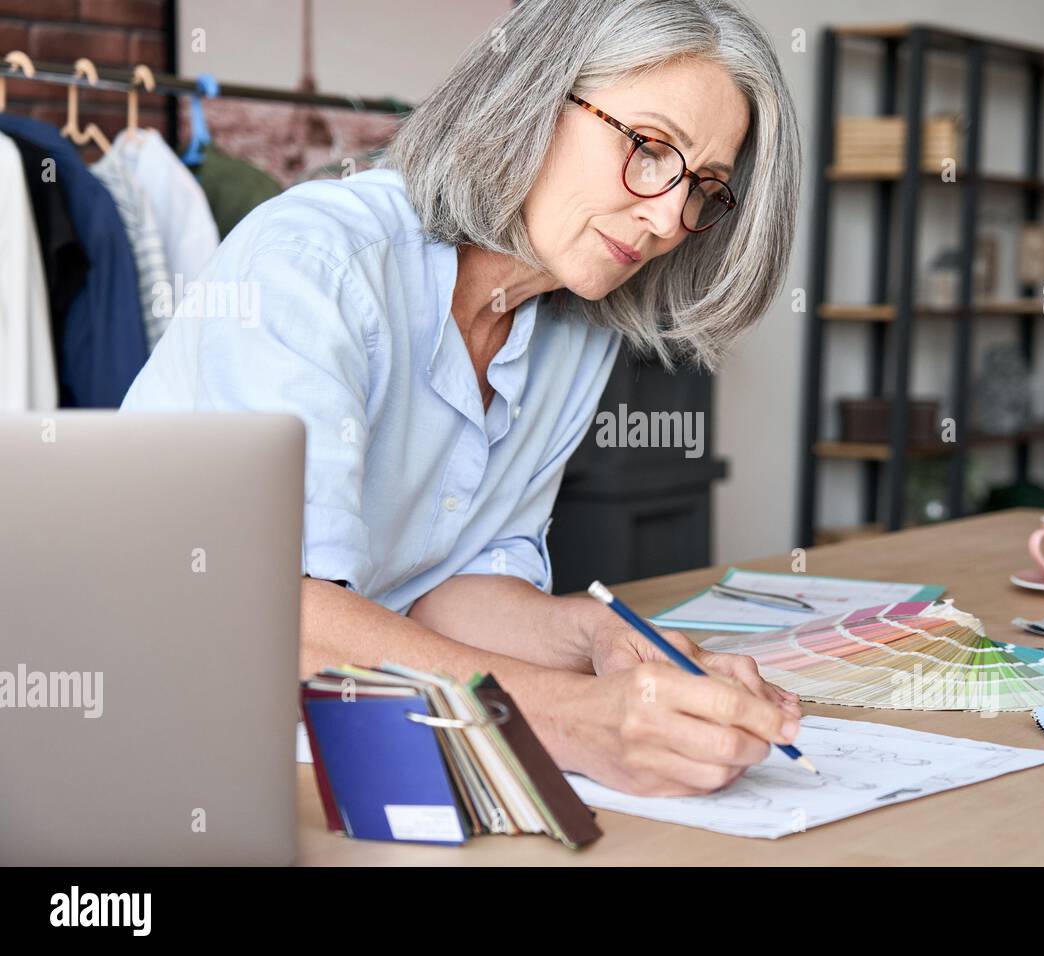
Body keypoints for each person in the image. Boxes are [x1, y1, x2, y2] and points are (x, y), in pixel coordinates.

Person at [120, 0, 802, 797]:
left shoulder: (575, 325)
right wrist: (574, 719)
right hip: (148, 737)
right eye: (650, 148)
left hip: (320, 742)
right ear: (535, 93)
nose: (664, 215)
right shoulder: (314, 263)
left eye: (704, 188)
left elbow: (454, 590)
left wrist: (604, 640)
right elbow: (279, 617)